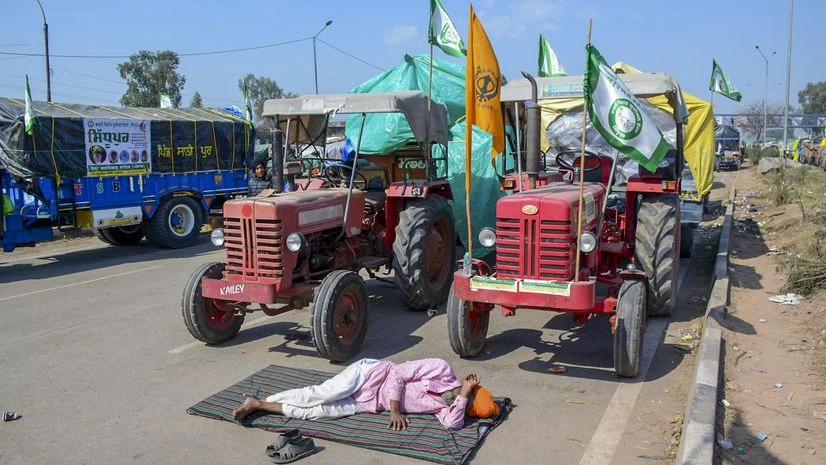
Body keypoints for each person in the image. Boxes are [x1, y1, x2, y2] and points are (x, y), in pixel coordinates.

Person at [232, 358, 499, 430]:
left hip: (369, 402)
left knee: (316, 413)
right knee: (320, 395)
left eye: (465, 405)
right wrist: (395, 410)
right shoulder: (441, 368)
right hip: (370, 374)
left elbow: (453, 424)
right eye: (466, 398)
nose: (459, 403)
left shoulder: (444, 409)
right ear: (466, 382)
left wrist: (463, 396)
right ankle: (264, 400)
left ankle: (258, 404)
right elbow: (397, 374)